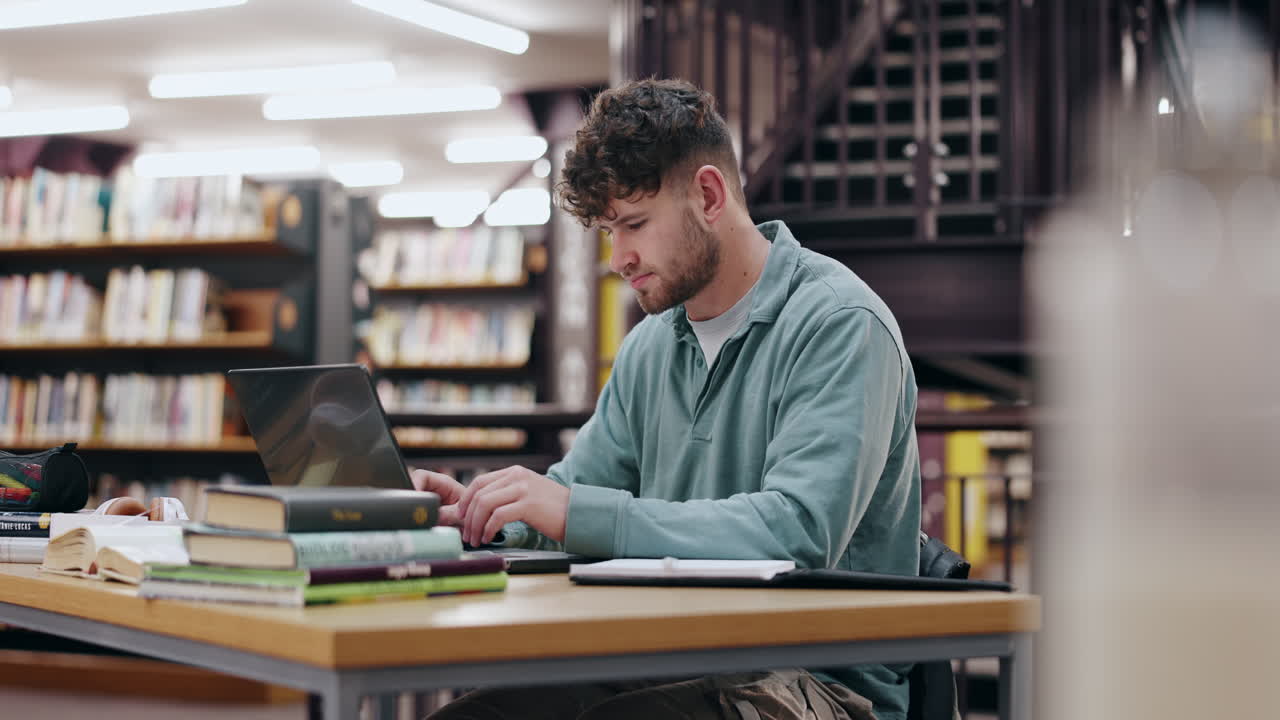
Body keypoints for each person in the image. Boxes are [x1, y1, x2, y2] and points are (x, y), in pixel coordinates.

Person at [412, 78, 921, 720]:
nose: (619, 258)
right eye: (606, 231)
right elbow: (577, 493)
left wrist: (578, 512)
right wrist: (492, 518)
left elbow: (796, 532)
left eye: (634, 224)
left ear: (709, 195)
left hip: (820, 683)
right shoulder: (650, 346)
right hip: (674, 654)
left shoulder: (841, 324)